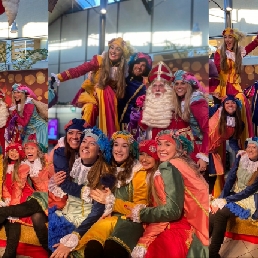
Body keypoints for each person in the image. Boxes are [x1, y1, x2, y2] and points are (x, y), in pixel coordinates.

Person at [128, 131, 209, 258]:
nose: (161, 149)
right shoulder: (184, 163)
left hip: (176, 227)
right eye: (159, 144)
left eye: (167, 145)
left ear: (177, 147)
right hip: (193, 223)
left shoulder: (168, 166)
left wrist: (141, 213)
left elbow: (172, 210)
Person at [74, 131, 147, 258]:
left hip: (131, 221)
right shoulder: (108, 168)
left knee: (113, 249)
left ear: (130, 150)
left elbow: (140, 207)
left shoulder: (139, 172)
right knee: (92, 248)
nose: (119, 150)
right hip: (109, 219)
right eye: (116, 145)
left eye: (124, 146)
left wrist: (111, 201)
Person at [48, 127, 116, 257]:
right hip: (64, 216)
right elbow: (65, 185)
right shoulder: (75, 164)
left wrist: (74, 236)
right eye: (84, 142)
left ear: (99, 152)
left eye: (92, 143)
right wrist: (56, 180)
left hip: (84, 223)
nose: (86, 146)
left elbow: (96, 211)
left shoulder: (105, 174)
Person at [51, 37, 134, 137]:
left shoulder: (123, 70)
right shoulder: (99, 60)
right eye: (112, 48)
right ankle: (83, 138)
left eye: (118, 49)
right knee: (90, 109)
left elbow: (121, 91)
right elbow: (79, 70)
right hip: (92, 96)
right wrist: (59, 77)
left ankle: (108, 138)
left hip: (109, 101)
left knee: (106, 91)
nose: (113, 51)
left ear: (122, 54)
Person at [0, 134, 52, 255]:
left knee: (6, 211)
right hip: (40, 199)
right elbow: (18, 185)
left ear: (37, 150)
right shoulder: (25, 166)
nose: (29, 151)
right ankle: (51, 252)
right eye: (26, 149)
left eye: (32, 148)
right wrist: (10, 200)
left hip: (52, 197)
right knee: (37, 218)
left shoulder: (47, 159)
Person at [209, 137, 258, 258]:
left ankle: (212, 253)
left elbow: (249, 191)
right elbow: (230, 179)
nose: (250, 149)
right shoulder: (241, 157)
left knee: (221, 213)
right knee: (212, 212)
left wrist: (226, 200)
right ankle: (201, 247)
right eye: (249, 146)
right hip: (235, 193)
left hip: (249, 198)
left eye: (254, 147)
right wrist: (220, 198)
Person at [129, 61, 195, 148]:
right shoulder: (145, 110)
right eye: (154, 86)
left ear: (168, 89)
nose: (157, 89)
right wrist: (133, 125)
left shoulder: (177, 112)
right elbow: (135, 140)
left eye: (161, 86)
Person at [213, 28, 258, 145]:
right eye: (225, 37)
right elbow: (216, 72)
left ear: (235, 39)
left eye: (230, 37)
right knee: (220, 121)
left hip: (236, 89)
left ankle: (244, 147)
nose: (227, 40)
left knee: (242, 108)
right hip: (222, 89)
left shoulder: (240, 52)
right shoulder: (219, 52)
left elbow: (252, 45)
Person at [171, 70, 209, 171]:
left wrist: (204, 156)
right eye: (176, 84)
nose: (179, 86)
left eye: (183, 83)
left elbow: (207, 129)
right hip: (190, 147)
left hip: (202, 147)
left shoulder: (196, 101)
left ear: (190, 85)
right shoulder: (180, 101)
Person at [0, 143, 32, 258]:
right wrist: (6, 199)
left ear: (20, 154)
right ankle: (10, 255)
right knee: (6, 218)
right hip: (8, 198)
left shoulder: (23, 167)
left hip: (21, 199)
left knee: (13, 221)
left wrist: (13, 208)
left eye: (16, 151)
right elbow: (3, 186)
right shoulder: (2, 165)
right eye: (11, 150)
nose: (13, 153)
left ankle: (9, 254)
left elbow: (18, 188)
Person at [209, 95, 244, 196]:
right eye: (227, 103)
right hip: (202, 148)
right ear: (223, 105)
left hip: (212, 152)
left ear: (236, 106)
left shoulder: (239, 124)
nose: (230, 105)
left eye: (233, 102)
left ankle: (208, 199)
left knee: (212, 176)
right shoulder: (215, 111)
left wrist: (238, 151)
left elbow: (233, 141)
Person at [118, 52, 152, 130]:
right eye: (137, 63)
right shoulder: (121, 78)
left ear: (145, 69)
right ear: (133, 64)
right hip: (111, 118)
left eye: (143, 65)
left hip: (126, 124)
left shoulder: (143, 88)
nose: (139, 67)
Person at [8, 83, 48, 147]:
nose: (15, 95)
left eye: (18, 92)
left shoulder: (29, 103)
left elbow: (24, 122)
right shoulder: (20, 103)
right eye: (14, 93)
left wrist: (14, 112)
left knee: (38, 151)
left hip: (39, 130)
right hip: (29, 131)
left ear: (23, 93)